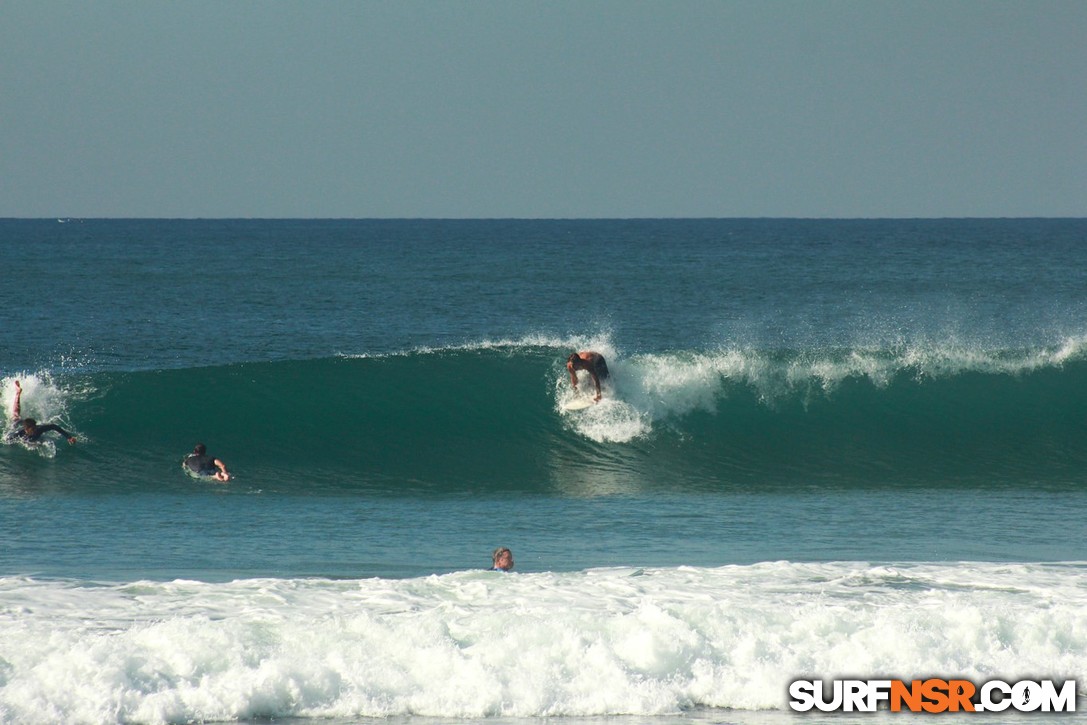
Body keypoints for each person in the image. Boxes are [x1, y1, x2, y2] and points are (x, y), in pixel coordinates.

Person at [6, 380, 76, 445]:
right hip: (17, 424)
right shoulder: (19, 433)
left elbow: (54, 426)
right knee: (16, 415)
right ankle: (18, 394)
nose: (35, 430)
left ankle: (18, 393)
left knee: (16, 414)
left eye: (35, 428)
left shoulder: (39, 429)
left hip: (25, 424)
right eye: (33, 429)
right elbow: (7, 439)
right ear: (26, 430)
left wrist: (69, 437)